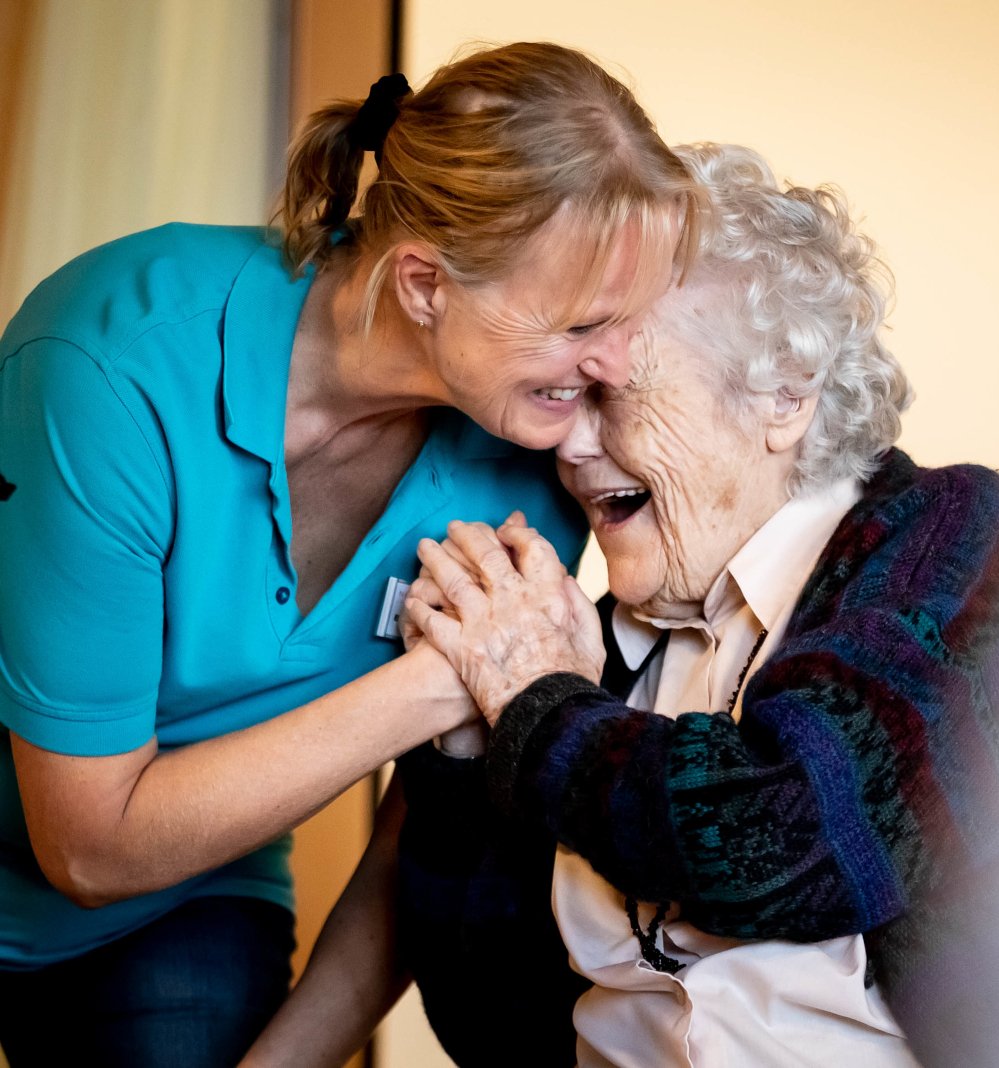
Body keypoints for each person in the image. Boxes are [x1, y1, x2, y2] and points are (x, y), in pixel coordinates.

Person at [0, 41, 698, 1066]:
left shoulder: (527, 464)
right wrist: (451, 678)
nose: (615, 366)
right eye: (583, 324)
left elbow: (419, 845)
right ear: (423, 284)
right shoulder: (111, 366)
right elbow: (89, 847)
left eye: (630, 326)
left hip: (181, 906)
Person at [400, 143, 999, 1066]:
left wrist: (529, 701)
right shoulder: (595, 645)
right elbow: (490, 1019)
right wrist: (463, 753)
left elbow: (786, 836)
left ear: (784, 396)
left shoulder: (950, 540)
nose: (571, 445)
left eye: (613, 393)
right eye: (566, 393)